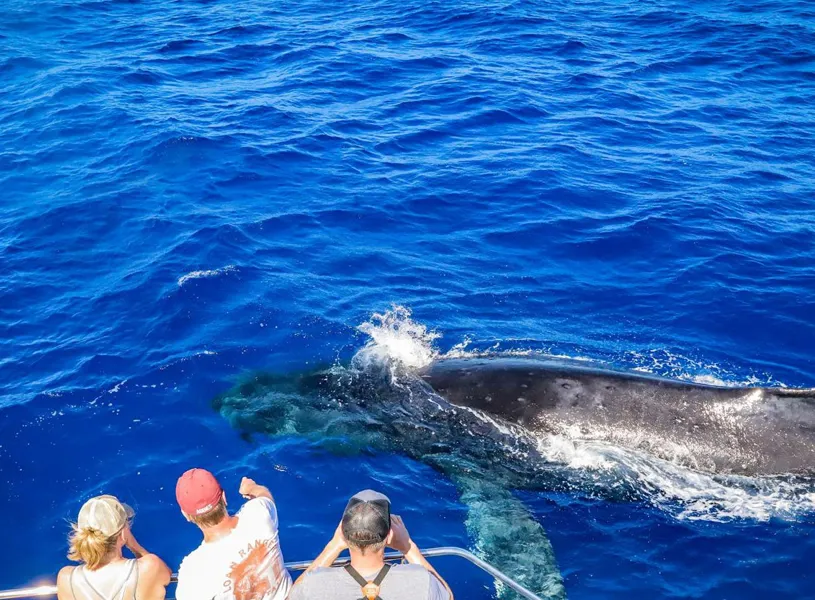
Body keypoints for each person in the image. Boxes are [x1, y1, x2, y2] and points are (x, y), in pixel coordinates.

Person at [288, 490, 453, 600]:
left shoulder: (315, 585)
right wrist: (408, 547)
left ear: (343, 532)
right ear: (389, 534)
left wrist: (334, 546)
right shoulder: (421, 580)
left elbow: (292, 596)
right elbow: (448, 595)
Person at [174, 468, 291, 600]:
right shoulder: (259, 513)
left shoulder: (193, 571)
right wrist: (252, 488)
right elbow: (265, 496)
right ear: (224, 497)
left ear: (186, 515)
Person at [56, 494, 172, 600]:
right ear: (122, 534)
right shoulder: (149, 567)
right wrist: (134, 546)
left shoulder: (66, 579)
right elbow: (165, 575)